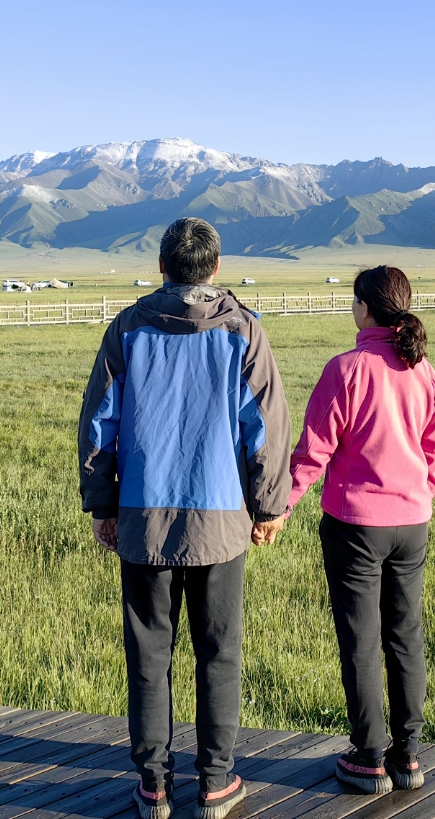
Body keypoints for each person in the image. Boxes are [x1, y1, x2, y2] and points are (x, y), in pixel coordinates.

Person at [78, 217, 292, 819]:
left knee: (149, 656)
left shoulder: (128, 328)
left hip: (142, 516)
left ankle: (153, 785)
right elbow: (266, 427)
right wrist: (269, 506)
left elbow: (99, 423)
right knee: (219, 653)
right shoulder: (243, 330)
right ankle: (216, 782)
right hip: (221, 522)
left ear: (161, 266)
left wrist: (102, 503)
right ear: (216, 268)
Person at [273, 265, 435, 795]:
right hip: (412, 524)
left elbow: (313, 452)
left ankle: (369, 757)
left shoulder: (346, 369)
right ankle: (409, 756)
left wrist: (278, 509)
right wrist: (419, 494)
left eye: (354, 301)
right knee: (405, 635)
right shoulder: (424, 371)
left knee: (361, 639)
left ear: (365, 308)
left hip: (355, 527)